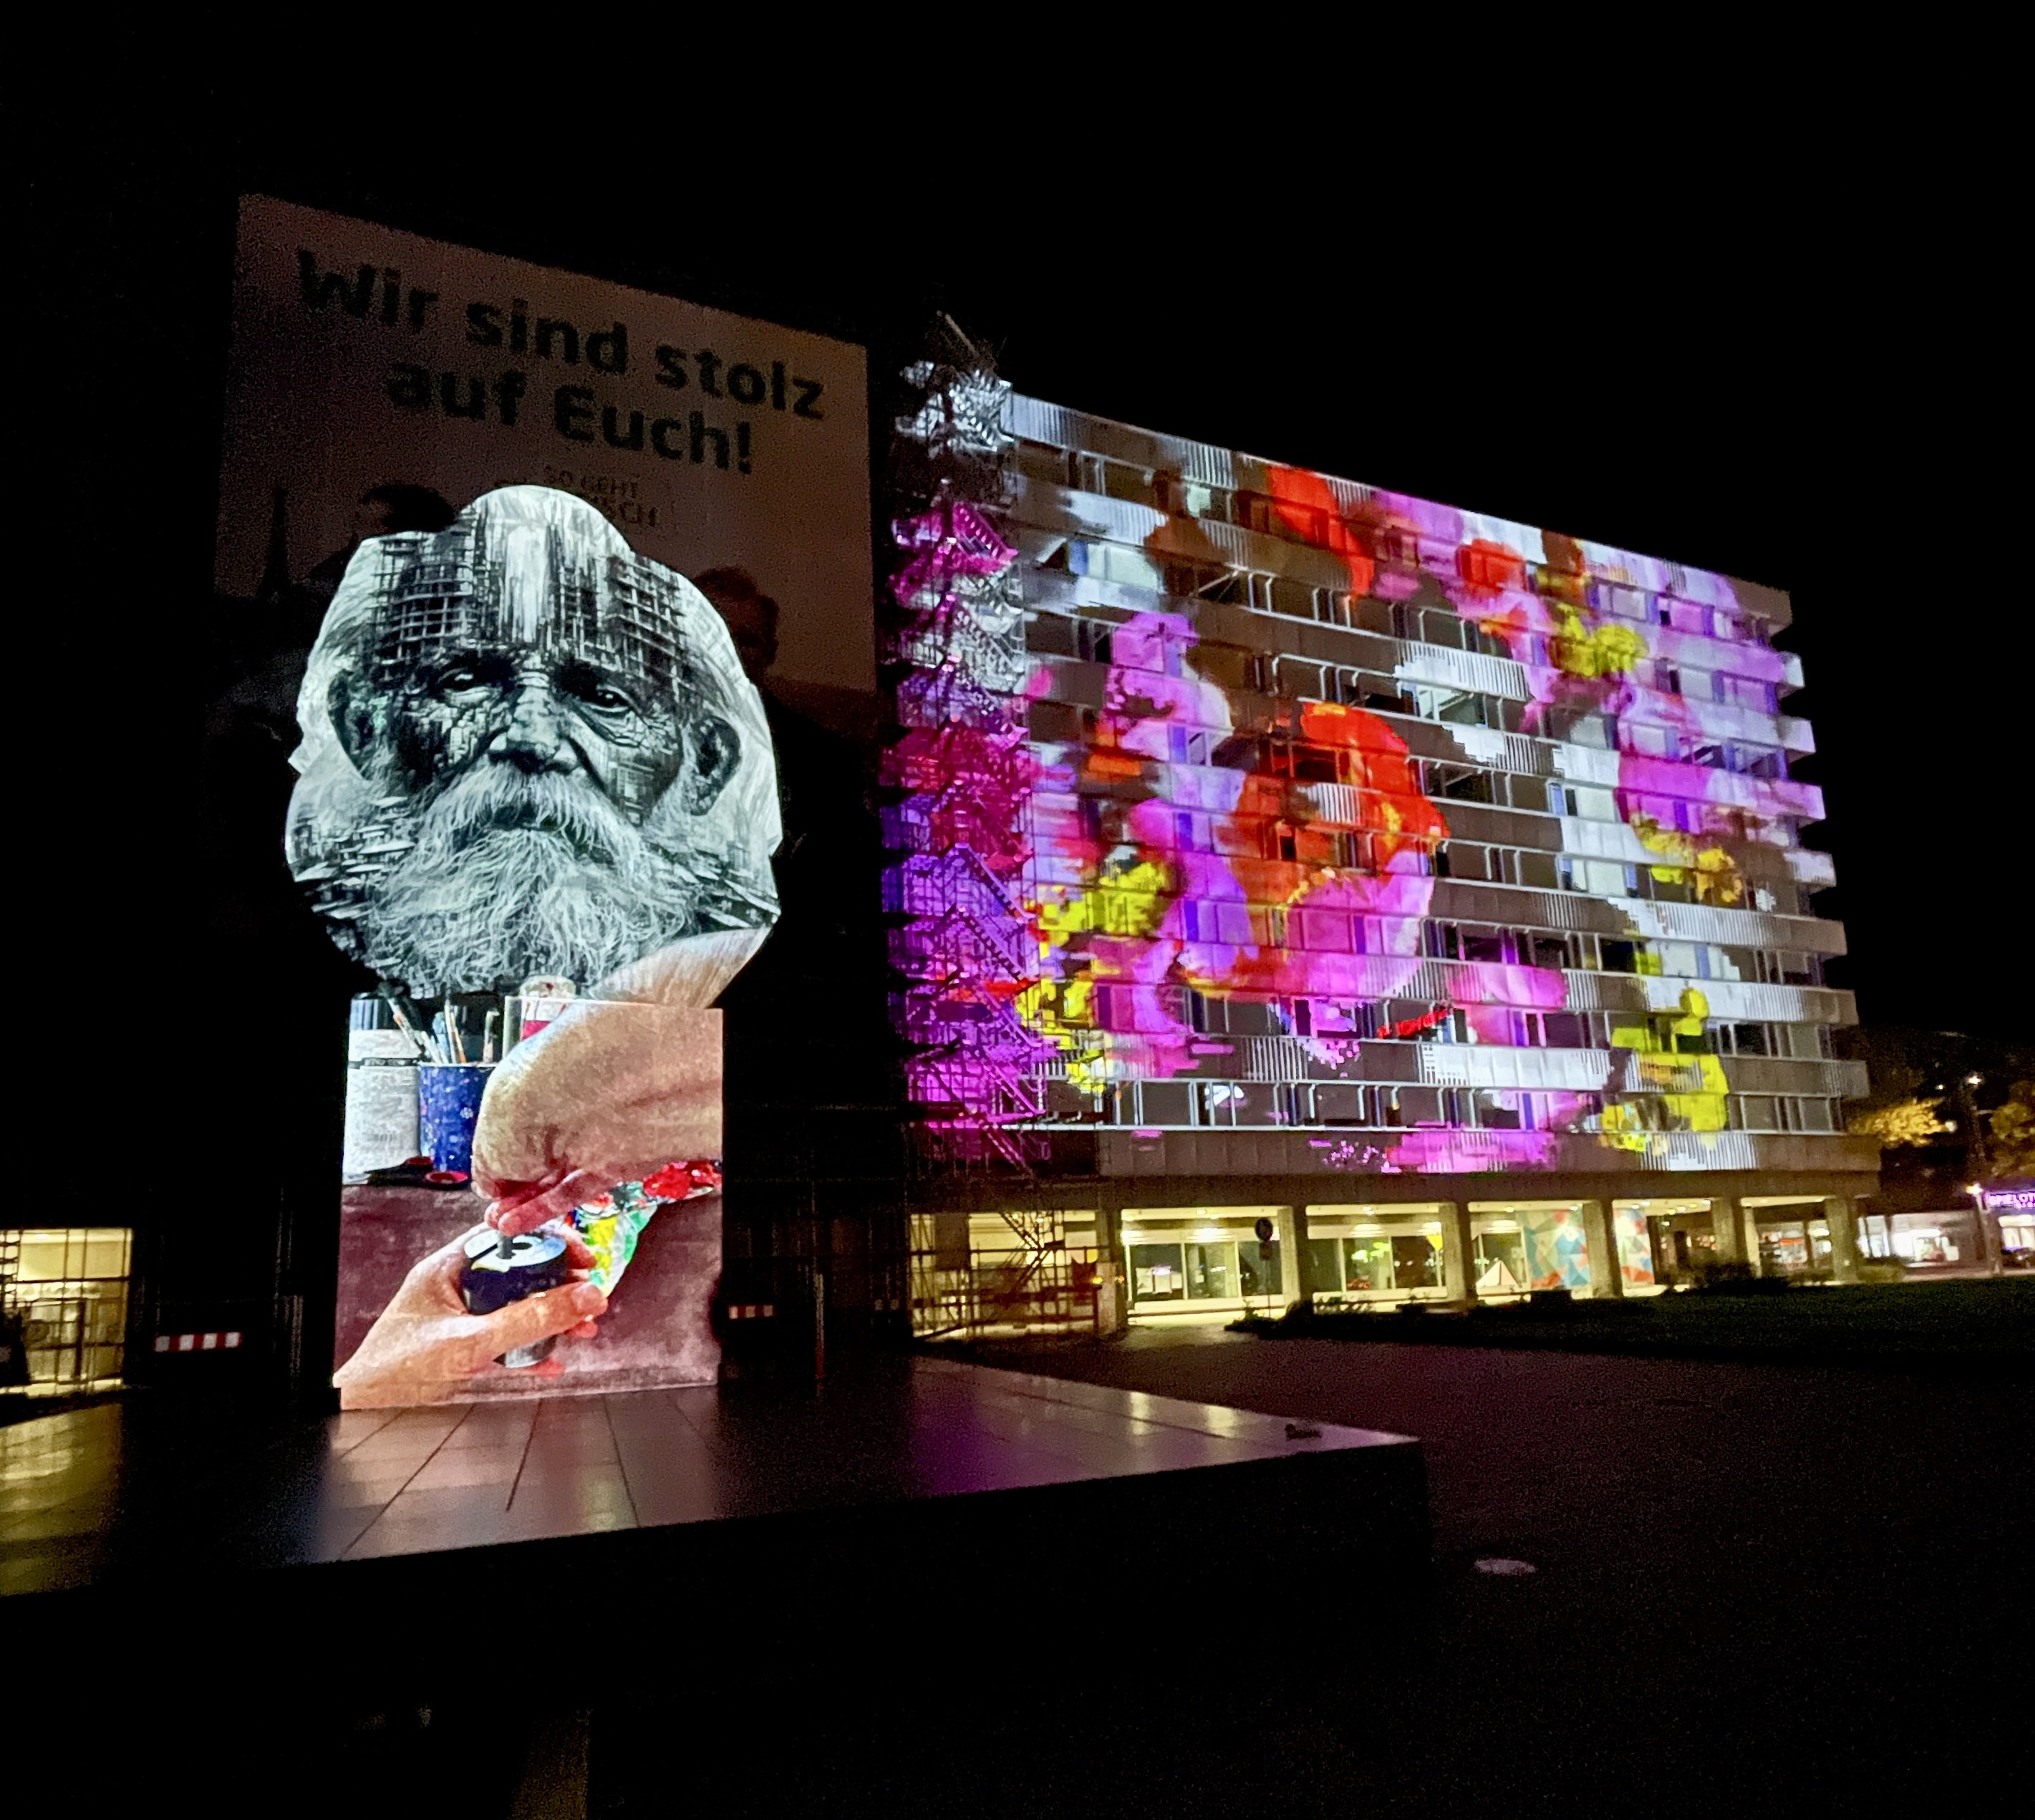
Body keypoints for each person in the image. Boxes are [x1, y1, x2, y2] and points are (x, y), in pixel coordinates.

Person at [288, 485, 780, 996]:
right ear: (363, 727)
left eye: (605, 699)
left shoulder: (745, 991)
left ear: (706, 765)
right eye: (465, 682)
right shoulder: (292, 973)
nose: (533, 738)